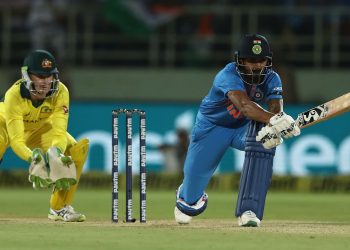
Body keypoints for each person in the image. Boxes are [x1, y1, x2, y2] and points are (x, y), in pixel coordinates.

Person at [174, 34, 300, 227]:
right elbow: (244, 106)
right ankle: (188, 194)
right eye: (251, 60)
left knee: (267, 140)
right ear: (240, 60)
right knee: (189, 205)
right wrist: (275, 119)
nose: (257, 65)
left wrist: (278, 124)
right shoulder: (227, 75)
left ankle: (249, 210)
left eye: (261, 60)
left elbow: (275, 109)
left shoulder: (273, 78)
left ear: (268, 60)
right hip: (212, 128)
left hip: (243, 128)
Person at [0, 49, 89, 222]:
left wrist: (55, 152)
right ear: (27, 76)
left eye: (50, 76)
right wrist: (33, 157)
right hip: (4, 125)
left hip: (38, 129)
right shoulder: (14, 95)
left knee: (76, 150)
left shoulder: (61, 92)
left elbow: (59, 132)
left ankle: (59, 208)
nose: (46, 82)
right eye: (40, 76)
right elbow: (17, 141)